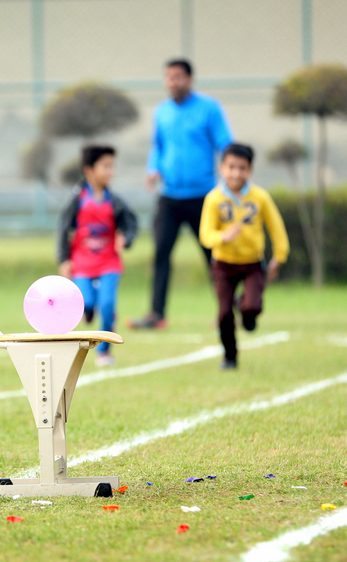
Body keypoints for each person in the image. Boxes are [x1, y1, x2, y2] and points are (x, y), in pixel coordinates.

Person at [130, 58, 233, 330]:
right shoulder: (162, 112)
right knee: (161, 253)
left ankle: (226, 310)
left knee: (213, 255)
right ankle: (156, 314)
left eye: (178, 77)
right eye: (169, 78)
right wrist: (153, 169)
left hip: (203, 197)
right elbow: (158, 147)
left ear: (189, 79)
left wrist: (230, 176)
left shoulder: (209, 109)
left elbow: (226, 145)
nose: (173, 82)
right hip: (170, 197)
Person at [199, 143, 288, 370]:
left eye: (242, 168)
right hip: (223, 264)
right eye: (231, 167)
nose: (236, 173)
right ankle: (230, 358)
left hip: (252, 264)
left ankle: (247, 310)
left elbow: (276, 227)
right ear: (222, 168)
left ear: (250, 171)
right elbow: (205, 234)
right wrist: (222, 237)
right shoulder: (214, 199)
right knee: (224, 314)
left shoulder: (260, 197)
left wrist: (280, 255)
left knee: (252, 307)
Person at [57, 145, 138, 367]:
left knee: (108, 303)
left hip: (109, 261)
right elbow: (63, 228)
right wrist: (64, 259)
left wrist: (126, 239)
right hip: (82, 262)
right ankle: (89, 309)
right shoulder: (77, 199)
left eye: (112, 166)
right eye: (106, 166)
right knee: (87, 303)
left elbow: (132, 223)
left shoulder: (115, 201)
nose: (111, 171)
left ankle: (104, 351)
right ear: (89, 170)